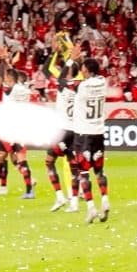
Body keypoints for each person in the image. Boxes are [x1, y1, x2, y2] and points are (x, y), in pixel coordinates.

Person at [0, 45, 36, 199]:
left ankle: (26, 189)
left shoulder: (10, 89)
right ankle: (27, 189)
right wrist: (6, 60)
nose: (4, 80)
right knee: (9, 158)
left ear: (10, 80)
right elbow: (11, 74)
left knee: (7, 159)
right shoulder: (23, 89)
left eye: (6, 79)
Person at [44, 34, 79, 213]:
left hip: (63, 130)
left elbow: (52, 72)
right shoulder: (80, 87)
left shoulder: (64, 85)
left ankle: (62, 197)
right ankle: (71, 200)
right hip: (75, 130)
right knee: (73, 166)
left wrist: (69, 57)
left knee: (50, 162)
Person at [72, 57, 110, 223]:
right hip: (99, 133)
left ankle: (91, 208)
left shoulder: (82, 86)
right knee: (99, 171)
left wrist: (72, 60)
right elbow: (94, 74)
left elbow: (66, 80)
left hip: (84, 134)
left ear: (86, 70)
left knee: (84, 173)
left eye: (82, 68)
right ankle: (105, 200)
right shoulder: (103, 82)